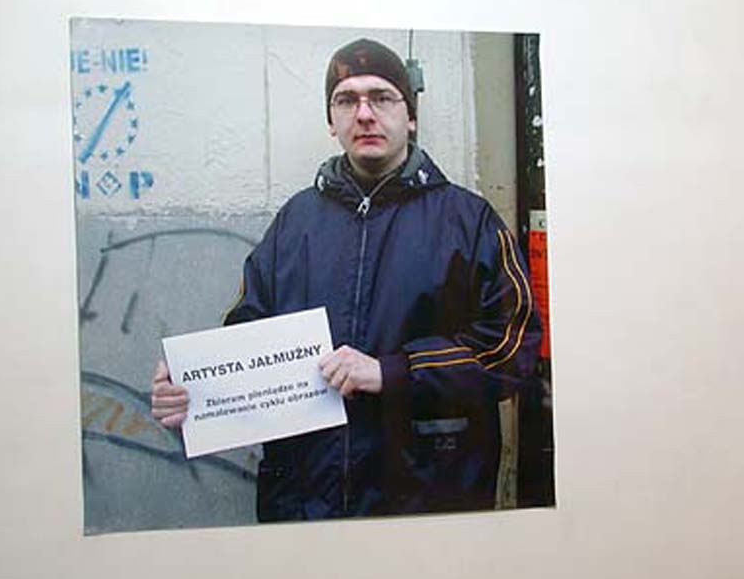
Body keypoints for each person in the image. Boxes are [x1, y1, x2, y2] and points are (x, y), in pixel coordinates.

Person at [151, 38, 541, 521]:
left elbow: (512, 350)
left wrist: (391, 372)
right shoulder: (295, 224)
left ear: (410, 116)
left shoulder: (469, 221)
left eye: (382, 97)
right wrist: (193, 389)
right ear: (331, 121)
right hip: (306, 502)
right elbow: (245, 341)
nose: (364, 114)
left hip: (426, 500)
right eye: (346, 100)